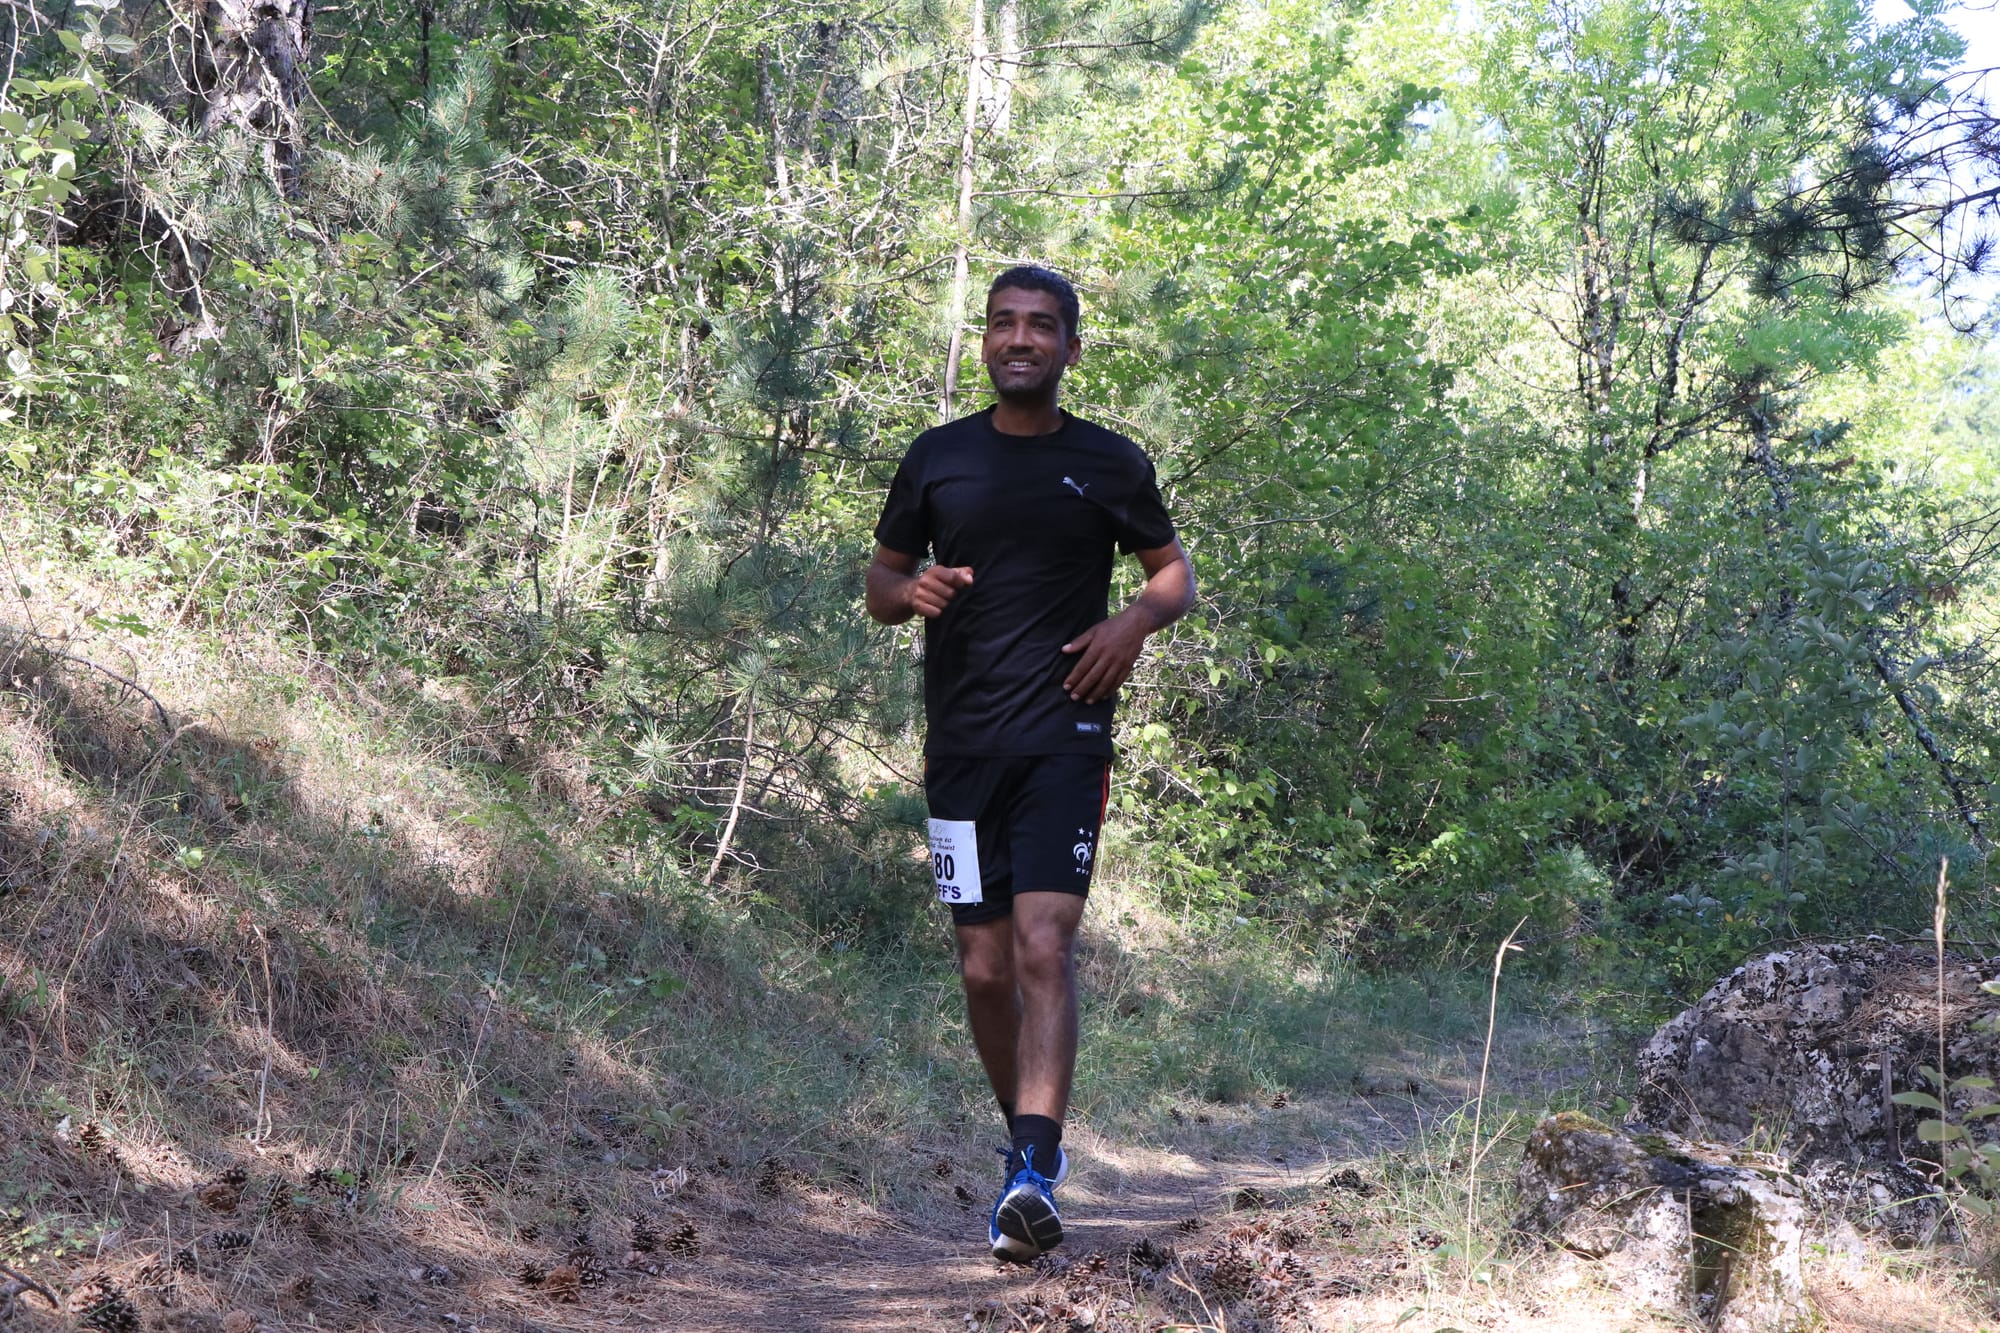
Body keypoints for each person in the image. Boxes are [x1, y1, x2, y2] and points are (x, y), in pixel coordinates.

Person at [865, 266, 1195, 1262]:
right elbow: (880, 579)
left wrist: (1132, 623)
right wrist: (908, 590)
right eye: (1004, 323)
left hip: (1064, 736)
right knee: (980, 966)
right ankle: (1023, 1154)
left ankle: (1033, 1173)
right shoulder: (937, 459)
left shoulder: (1107, 462)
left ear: (1069, 348)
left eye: (1041, 326)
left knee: (1043, 945)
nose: (1021, 339)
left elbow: (1170, 573)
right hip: (960, 748)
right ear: (985, 344)